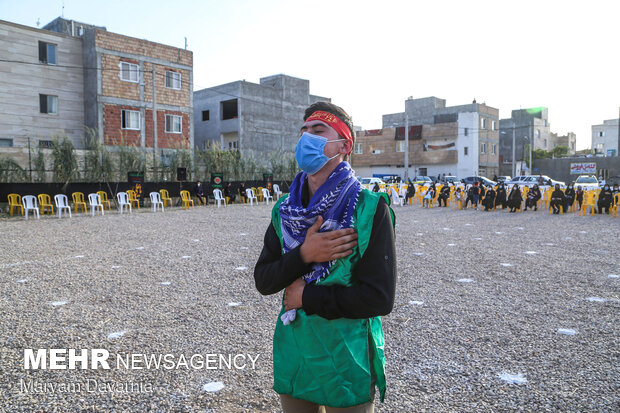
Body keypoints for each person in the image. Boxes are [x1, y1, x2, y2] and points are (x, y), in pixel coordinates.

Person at [254, 102, 396, 412]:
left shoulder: (371, 208)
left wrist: (307, 296)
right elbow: (264, 280)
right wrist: (305, 253)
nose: (307, 138)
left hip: (346, 358)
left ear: (345, 145)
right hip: (296, 353)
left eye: (318, 131)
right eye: (303, 131)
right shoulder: (285, 211)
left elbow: (379, 298)